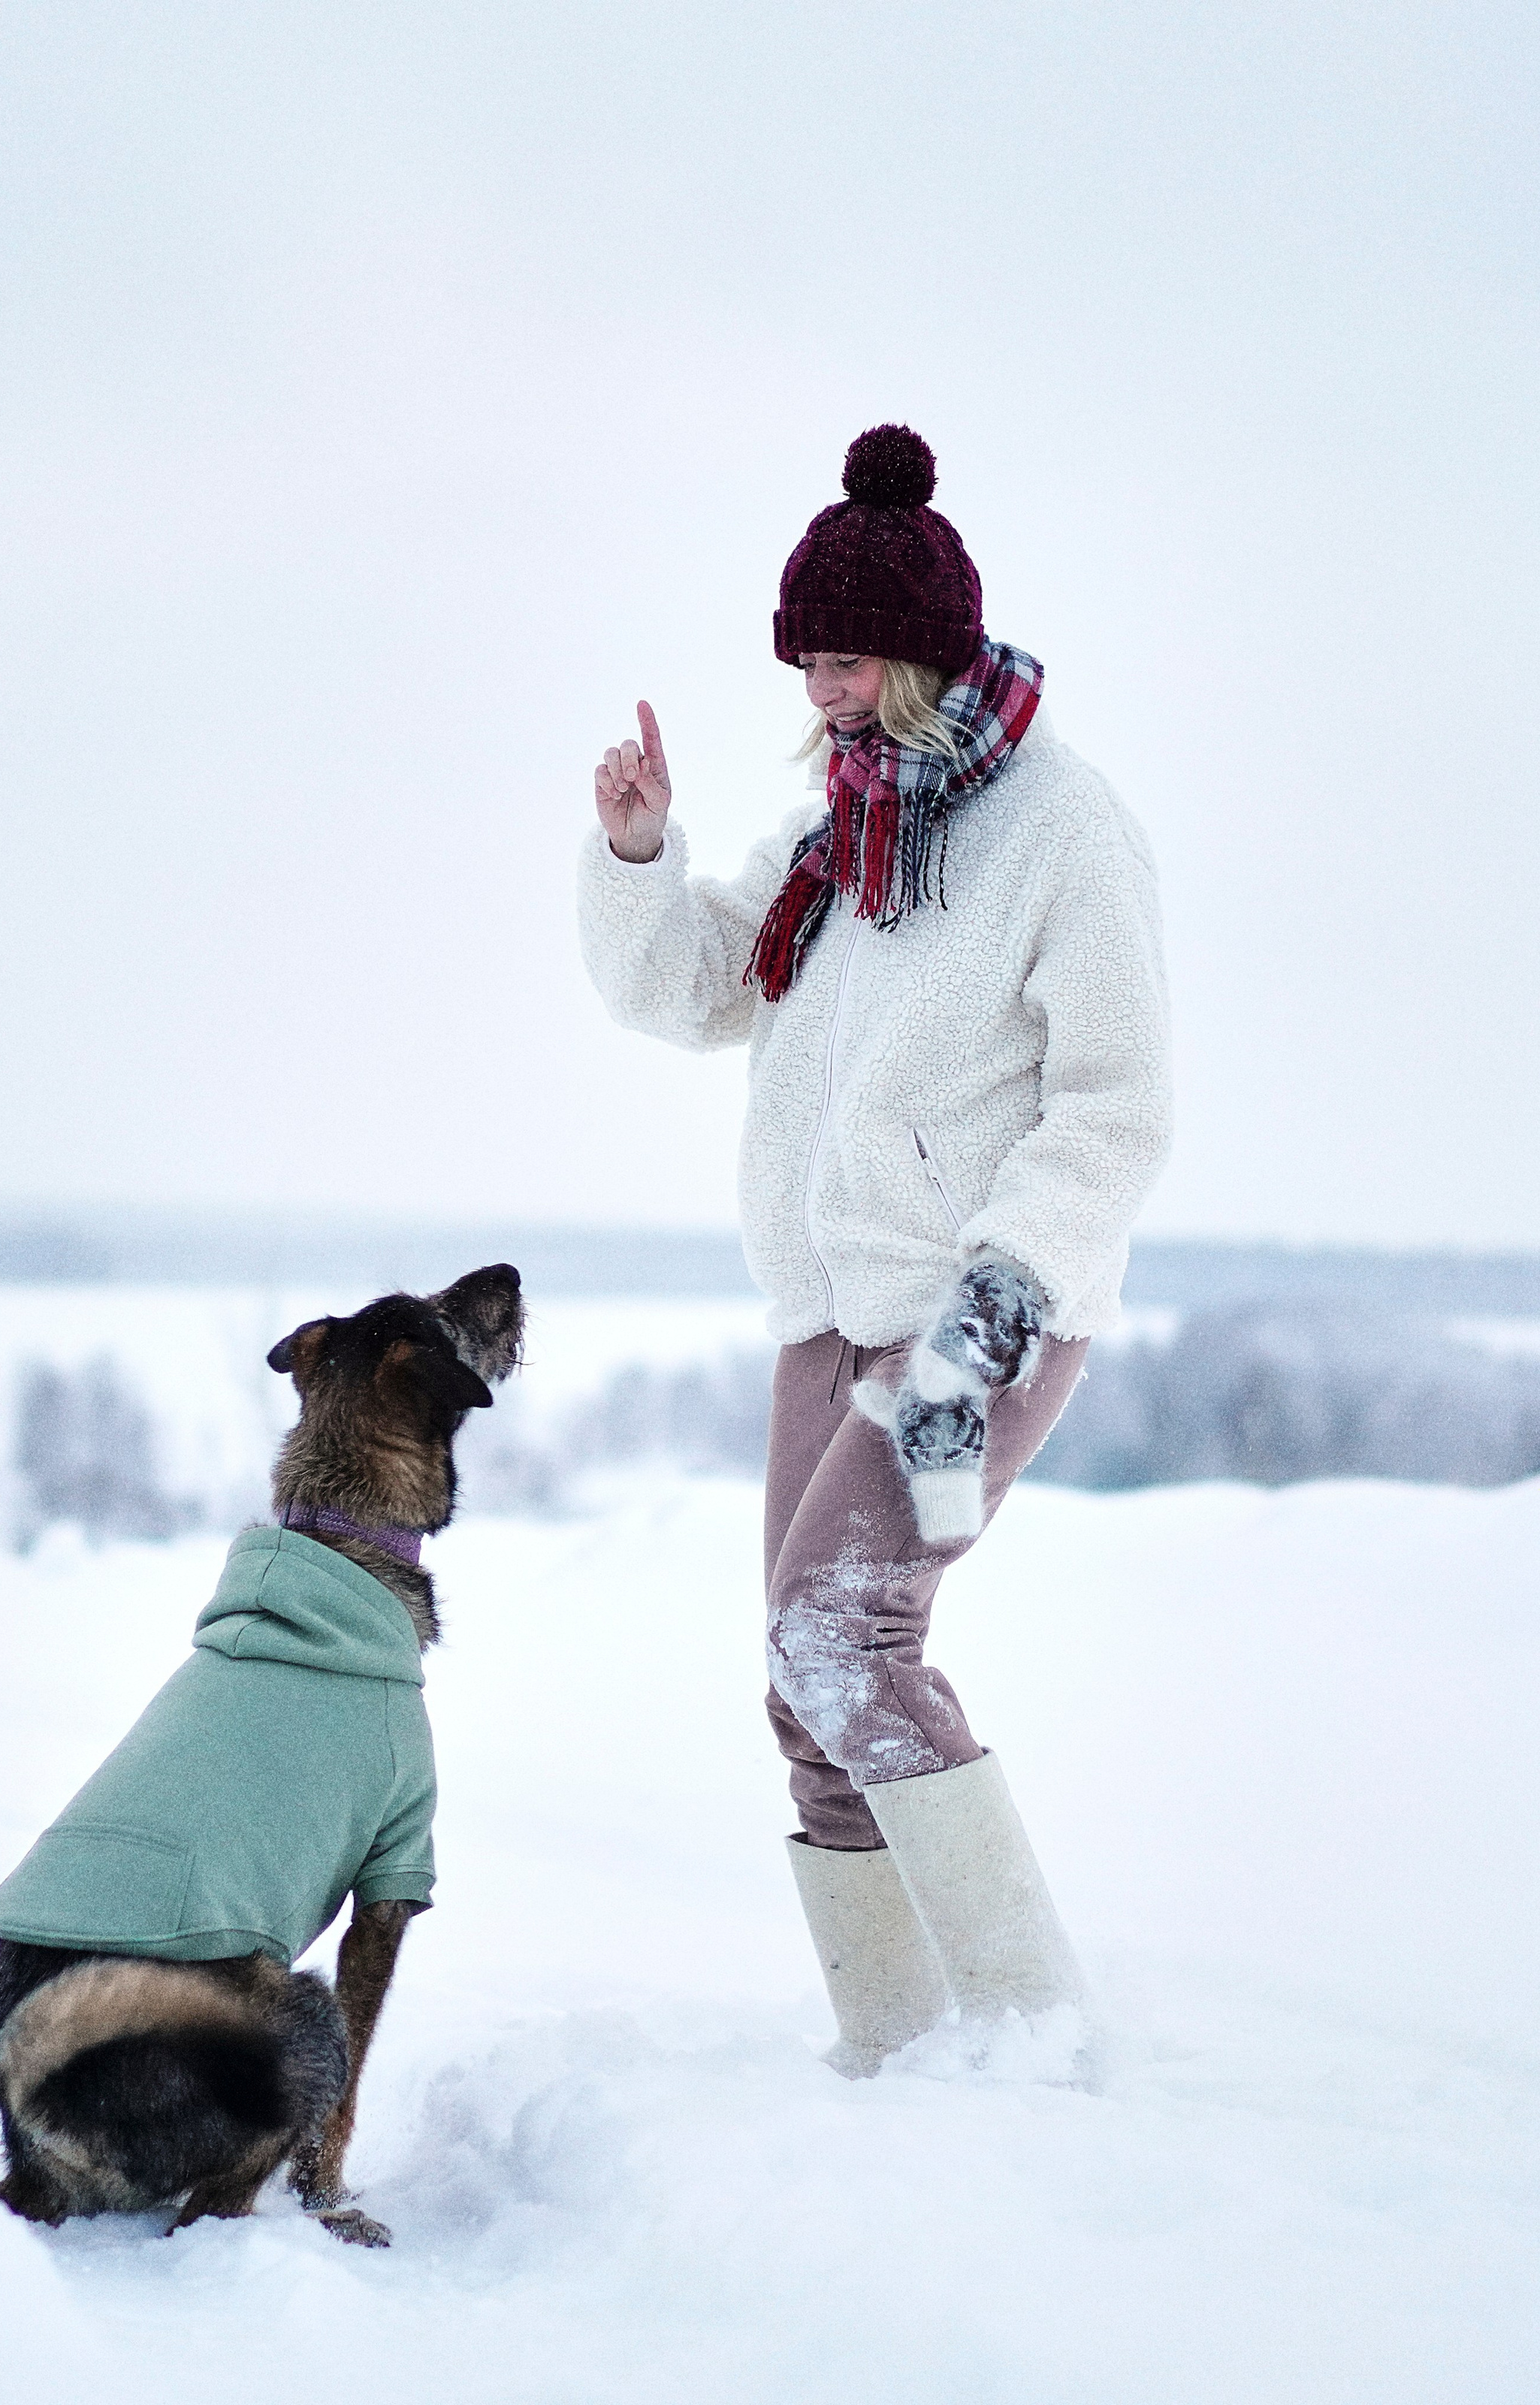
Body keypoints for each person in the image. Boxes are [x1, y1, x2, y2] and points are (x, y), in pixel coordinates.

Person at [578, 424, 1171, 2074]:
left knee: (838, 1636)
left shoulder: (1063, 830)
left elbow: (1117, 1102)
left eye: (843, 662)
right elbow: (694, 989)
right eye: (807, 665)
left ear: (917, 656)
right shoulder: (834, 833)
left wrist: (1002, 1292)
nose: (820, 692)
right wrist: (640, 853)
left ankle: (1033, 2036)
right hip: (828, 1311)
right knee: (804, 1685)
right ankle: (898, 2056)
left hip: (978, 1315)